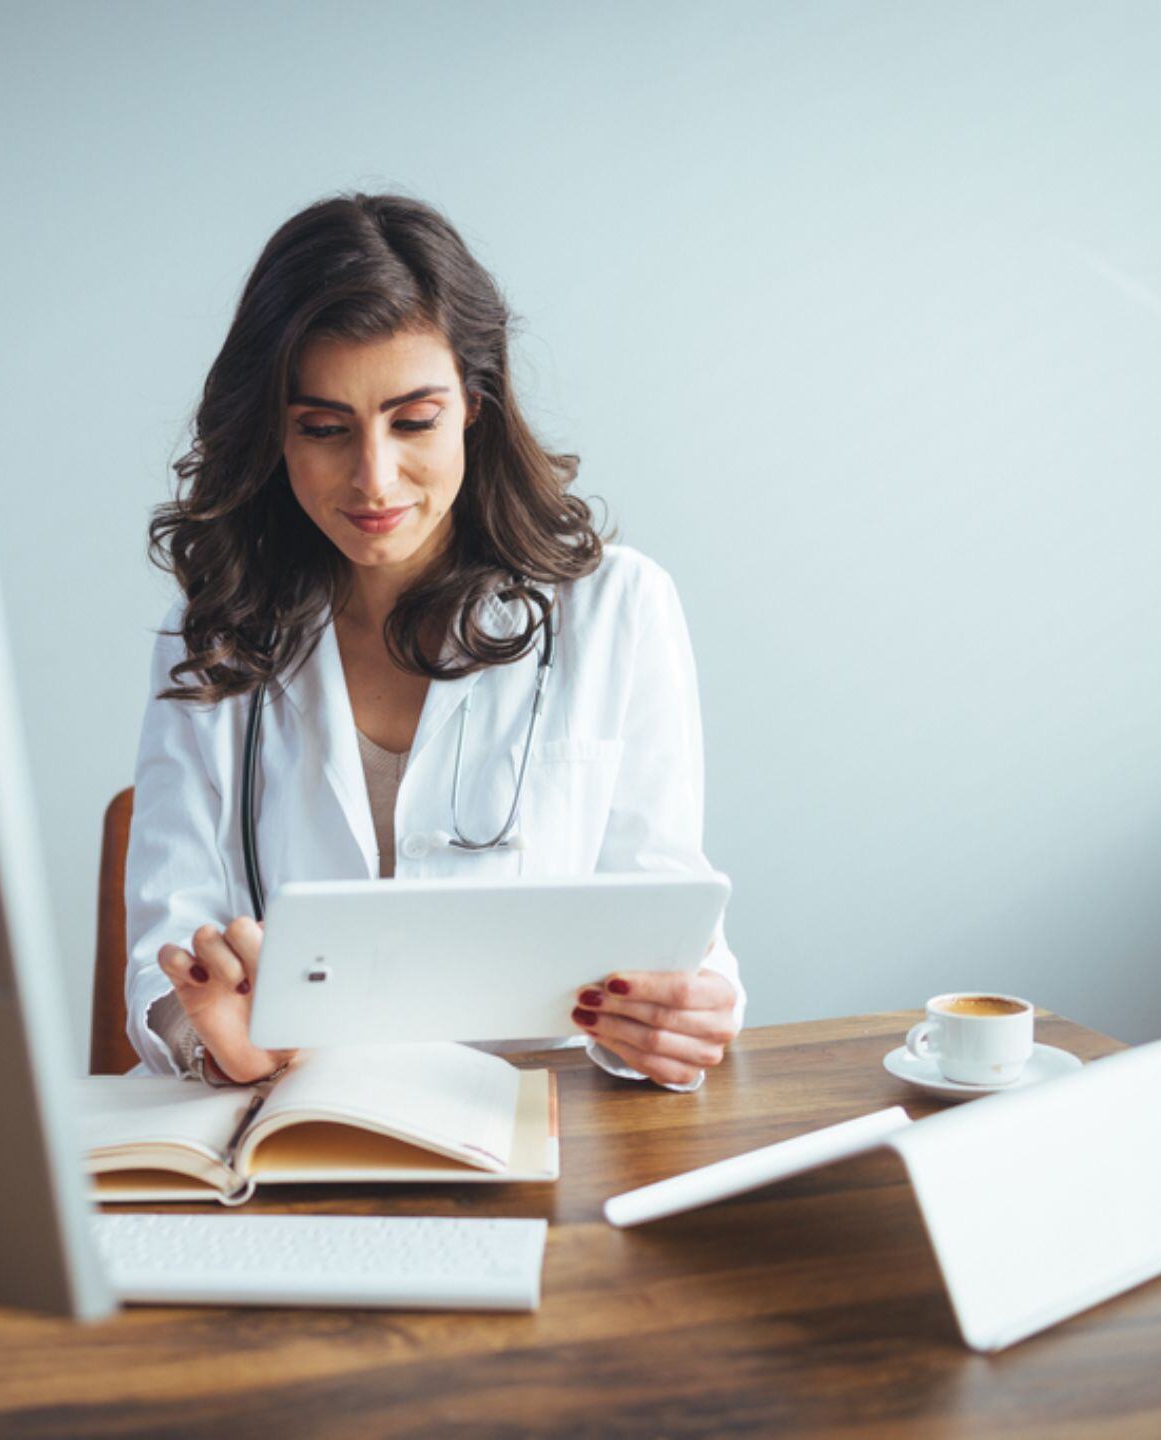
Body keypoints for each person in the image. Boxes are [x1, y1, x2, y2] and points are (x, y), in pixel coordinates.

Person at [124, 192, 744, 1091]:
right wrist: (211, 1033)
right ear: (272, 433)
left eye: (413, 421)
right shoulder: (215, 630)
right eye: (324, 430)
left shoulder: (618, 610)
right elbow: (168, 949)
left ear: (475, 409)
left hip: (534, 1125)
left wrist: (680, 1014)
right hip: (293, 1132)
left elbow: (672, 925)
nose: (373, 477)